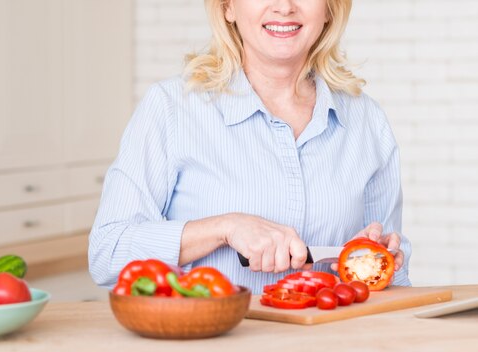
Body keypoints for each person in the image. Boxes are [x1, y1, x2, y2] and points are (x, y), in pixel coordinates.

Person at [89, 0, 410, 294]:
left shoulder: (367, 121)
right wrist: (224, 228)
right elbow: (108, 252)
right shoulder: (171, 109)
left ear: (328, 9)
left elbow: (390, 282)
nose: (284, 7)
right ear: (228, 7)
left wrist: (380, 260)